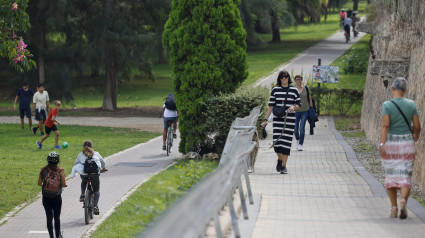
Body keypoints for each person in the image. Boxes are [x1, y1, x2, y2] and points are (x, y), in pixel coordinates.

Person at [379, 77, 421, 219]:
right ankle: (403, 201)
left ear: (392, 89)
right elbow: (417, 126)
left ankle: (394, 208)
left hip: (391, 143)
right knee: (405, 175)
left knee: (391, 175)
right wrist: (415, 136)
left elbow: (385, 125)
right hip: (407, 144)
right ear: (405, 90)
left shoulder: (387, 105)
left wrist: (382, 143)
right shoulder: (411, 104)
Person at [261, 70, 300, 174]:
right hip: (277, 119)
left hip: (290, 120)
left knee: (286, 143)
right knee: (277, 143)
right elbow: (270, 106)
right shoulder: (275, 90)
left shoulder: (294, 90)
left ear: (288, 78)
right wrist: (265, 120)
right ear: (279, 78)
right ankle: (279, 159)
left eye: (286, 76)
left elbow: (298, 104)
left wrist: (293, 107)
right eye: (282, 77)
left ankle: (283, 166)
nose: (284, 78)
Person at [38, 151, 67, 238]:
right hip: (56, 197)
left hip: (46, 198)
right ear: (58, 161)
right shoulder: (60, 171)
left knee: (49, 217)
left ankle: (51, 236)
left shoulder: (43, 170)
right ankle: (58, 235)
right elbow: (64, 184)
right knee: (57, 217)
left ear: (48, 160)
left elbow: (39, 183)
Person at [73, 140, 106, 215]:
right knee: (96, 190)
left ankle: (82, 195)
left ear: (83, 147)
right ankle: (95, 206)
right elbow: (103, 162)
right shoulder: (96, 154)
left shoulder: (80, 154)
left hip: (84, 174)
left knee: (84, 181)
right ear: (92, 146)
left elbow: (75, 164)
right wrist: (103, 168)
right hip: (94, 174)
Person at [293, 75, 313, 151]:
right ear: (295, 81)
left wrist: (312, 110)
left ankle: (301, 144)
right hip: (296, 112)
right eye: (297, 80)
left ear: (302, 80)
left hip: (305, 111)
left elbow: (310, 100)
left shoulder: (306, 89)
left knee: (302, 128)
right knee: (295, 129)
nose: (299, 81)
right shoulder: (293, 90)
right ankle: (297, 140)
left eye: (300, 79)